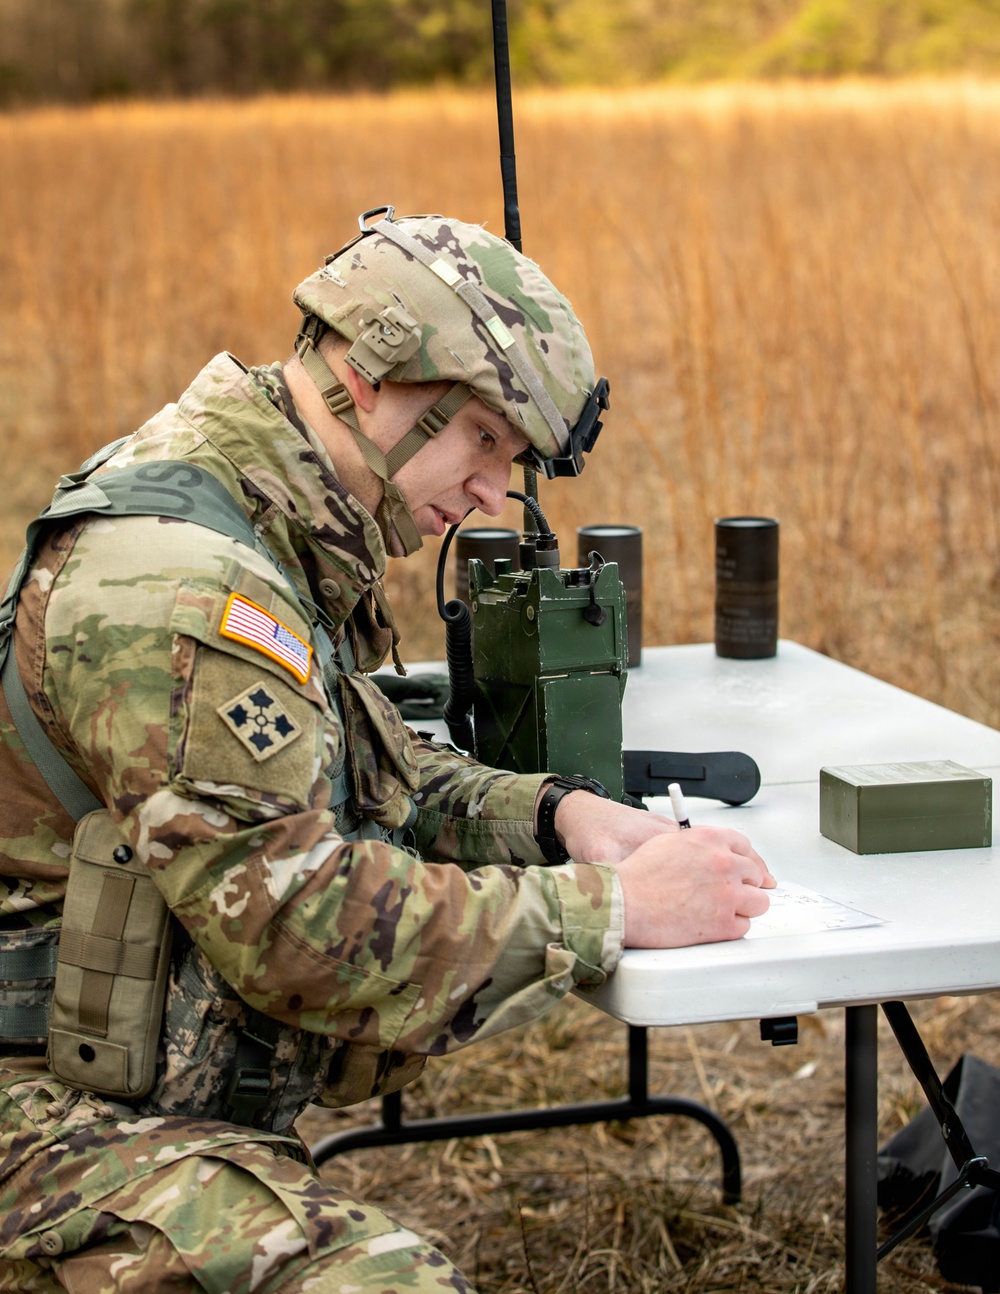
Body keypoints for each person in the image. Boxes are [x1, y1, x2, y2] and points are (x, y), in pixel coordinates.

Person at [0, 209, 773, 1293]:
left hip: (121, 1089)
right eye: (483, 441)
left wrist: (555, 815)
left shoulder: (258, 513)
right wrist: (612, 911)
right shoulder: (184, 587)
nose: (489, 493)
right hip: (41, 1113)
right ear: (370, 377)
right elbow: (298, 924)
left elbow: (359, 764)